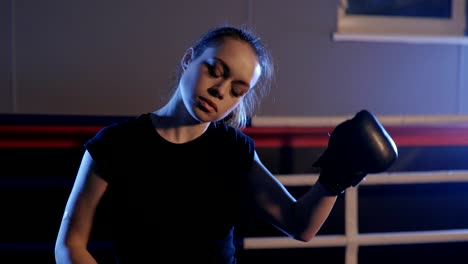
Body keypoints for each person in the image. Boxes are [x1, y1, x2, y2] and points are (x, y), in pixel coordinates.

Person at [55, 24, 397, 263]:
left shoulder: (233, 151)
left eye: (237, 90)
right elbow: (70, 244)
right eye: (215, 70)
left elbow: (299, 225)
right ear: (190, 58)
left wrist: (336, 179)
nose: (220, 91)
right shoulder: (116, 144)